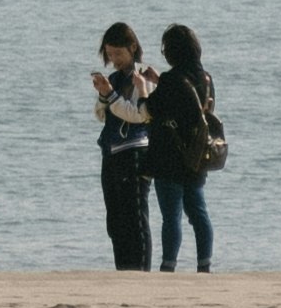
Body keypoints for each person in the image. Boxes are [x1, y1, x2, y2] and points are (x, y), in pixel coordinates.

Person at [146, 20, 223, 271]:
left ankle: (169, 266)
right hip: (197, 155)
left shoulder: (171, 79)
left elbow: (153, 108)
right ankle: (205, 265)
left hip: (170, 156)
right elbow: (191, 107)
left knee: (172, 216)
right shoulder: (206, 79)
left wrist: (143, 88)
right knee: (199, 212)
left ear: (171, 51)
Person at [92, 22, 157, 271]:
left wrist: (110, 96)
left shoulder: (144, 76)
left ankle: (140, 271)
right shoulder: (115, 78)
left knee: (135, 217)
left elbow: (139, 114)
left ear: (132, 48)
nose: (114, 59)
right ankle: (123, 269)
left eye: (118, 53)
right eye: (109, 54)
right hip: (111, 152)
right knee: (115, 219)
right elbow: (101, 114)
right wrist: (103, 94)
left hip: (136, 152)